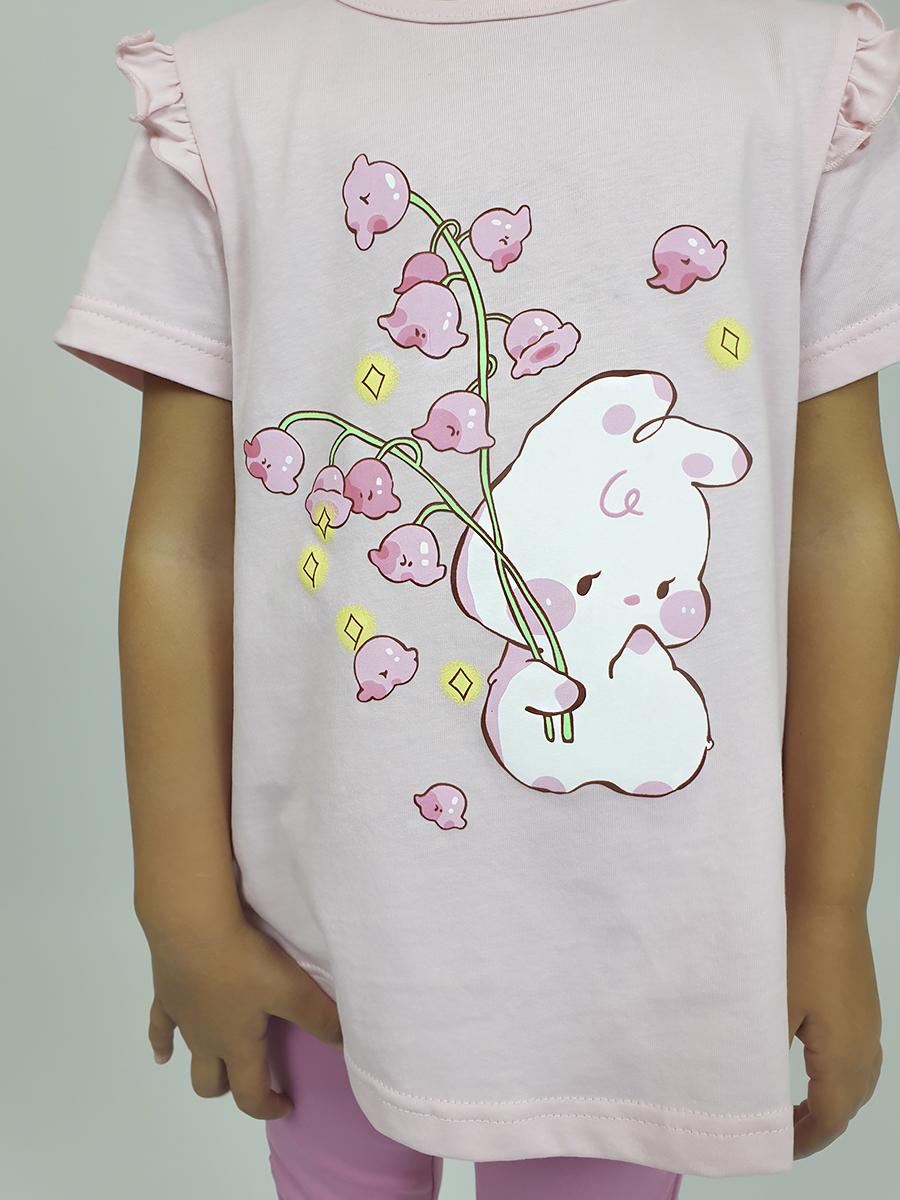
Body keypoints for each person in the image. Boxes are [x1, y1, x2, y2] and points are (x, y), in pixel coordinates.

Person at [54, 1, 900, 1196]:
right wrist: (182, 907)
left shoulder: (799, 78)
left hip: (649, 940)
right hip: (321, 929)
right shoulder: (235, 98)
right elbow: (184, 545)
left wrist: (827, 907)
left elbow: (837, 522)